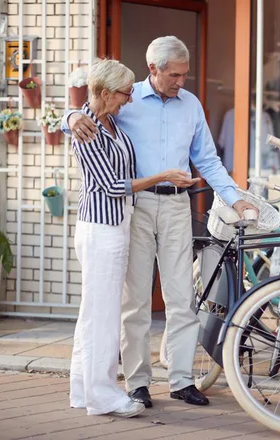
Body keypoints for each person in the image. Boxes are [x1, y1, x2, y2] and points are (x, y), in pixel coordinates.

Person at [64, 36, 258, 408]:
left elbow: (209, 160)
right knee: (134, 300)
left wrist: (236, 197)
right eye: (174, 75)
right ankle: (137, 382)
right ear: (153, 69)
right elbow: (87, 118)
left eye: (185, 75)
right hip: (134, 207)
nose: (180, 82)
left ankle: (182, 379)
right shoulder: (126, 97)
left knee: (182, 296)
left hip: (176, 209)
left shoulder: (191, 105)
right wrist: (68, 116)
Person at [70, 59, 193, 418]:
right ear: (106, 93)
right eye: (125, 93)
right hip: (101, 228)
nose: (129, 100)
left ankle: (82, 389)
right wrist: (163, 175)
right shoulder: (90, 129)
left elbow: (77, 110)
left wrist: (69, 115)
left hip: (114, 227)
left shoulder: (105, 120)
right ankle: (103, 396)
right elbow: (112, 186)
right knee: (103, 316)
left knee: (93, 313)